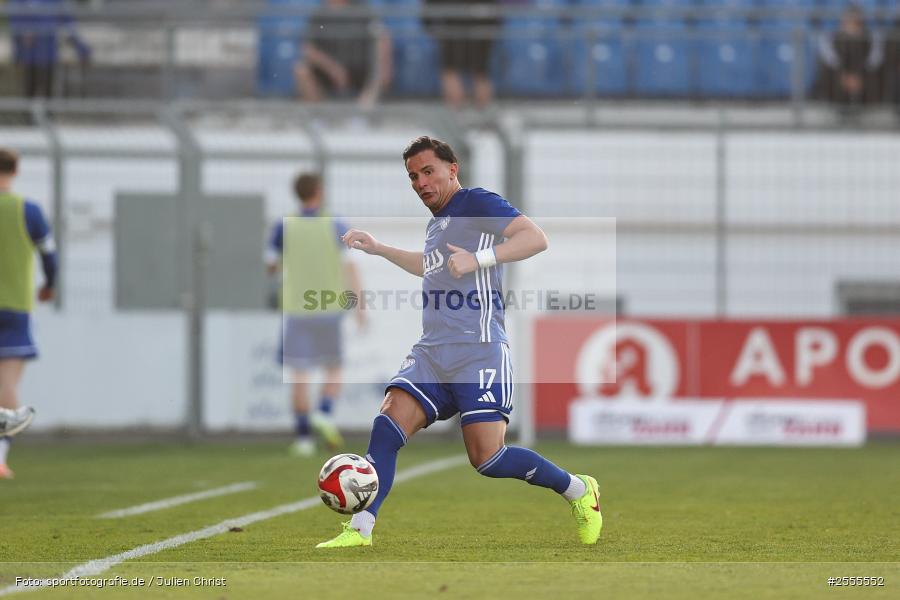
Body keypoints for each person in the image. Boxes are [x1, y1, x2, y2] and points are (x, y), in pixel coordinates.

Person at [316, 136, 602, 548]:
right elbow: (430, 267)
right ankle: (360, 530)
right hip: (433, 353)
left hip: (478, 349)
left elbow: (535, 238)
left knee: (487, 458)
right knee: (386, 425)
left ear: (453, 169)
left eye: (428, 172)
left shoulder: (476, 203)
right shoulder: (439, 224)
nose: (420, 183)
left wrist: (480, 259)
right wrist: (379, 249)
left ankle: (579, 490)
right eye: (413, 176)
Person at [266, 172, 366, 457]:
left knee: (299, 375)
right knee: (333, 368)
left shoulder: (283, 226)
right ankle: (324, 411)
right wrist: (360, 306)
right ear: (319, 192)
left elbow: (271, 265)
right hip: (328, 308)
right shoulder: (334, 224)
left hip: (297, 308)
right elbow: (351, 267)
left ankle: (303, 439)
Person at [0, 148, 56, 479]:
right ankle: (0, 456)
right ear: (16, 171)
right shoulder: (28, 210)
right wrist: (50, 284)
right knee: (6, 383)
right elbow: (50, 255)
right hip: (15, 307)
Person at [293, 0, 392, 106]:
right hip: (330, 72)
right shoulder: (319, 14)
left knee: (382, 64)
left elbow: (382, 38)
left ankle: (364, 112)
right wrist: (332, 68)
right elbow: (308, 49)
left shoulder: (363, 10)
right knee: (301, 69)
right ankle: (319, 115)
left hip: (361, 70)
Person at [9, 0, 91, 98]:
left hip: (48, 55)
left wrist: (81, 48)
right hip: (26, 56)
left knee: (48, 93)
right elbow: (14, 18)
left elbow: (68, 23)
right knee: (27, 92)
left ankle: (47, 112)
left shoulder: (56, 2)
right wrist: (23, 32)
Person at [424, 0, 498, 108]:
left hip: (477, 25)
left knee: (477, 73)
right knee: (454, 71)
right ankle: (458, 111)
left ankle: (479, 112)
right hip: (455, 23)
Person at [815, 4, 884, 112]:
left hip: (863, 80)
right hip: (839, 79)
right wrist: (845, 77)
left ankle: (865, 105)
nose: (851, 26)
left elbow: (874, 61)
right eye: (847, 22)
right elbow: (831, 60)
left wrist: (859, 77)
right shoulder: (833, 38)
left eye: (855, 23)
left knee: (875, 71)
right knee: (826, 68)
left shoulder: (870, 38)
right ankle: (837, 106)